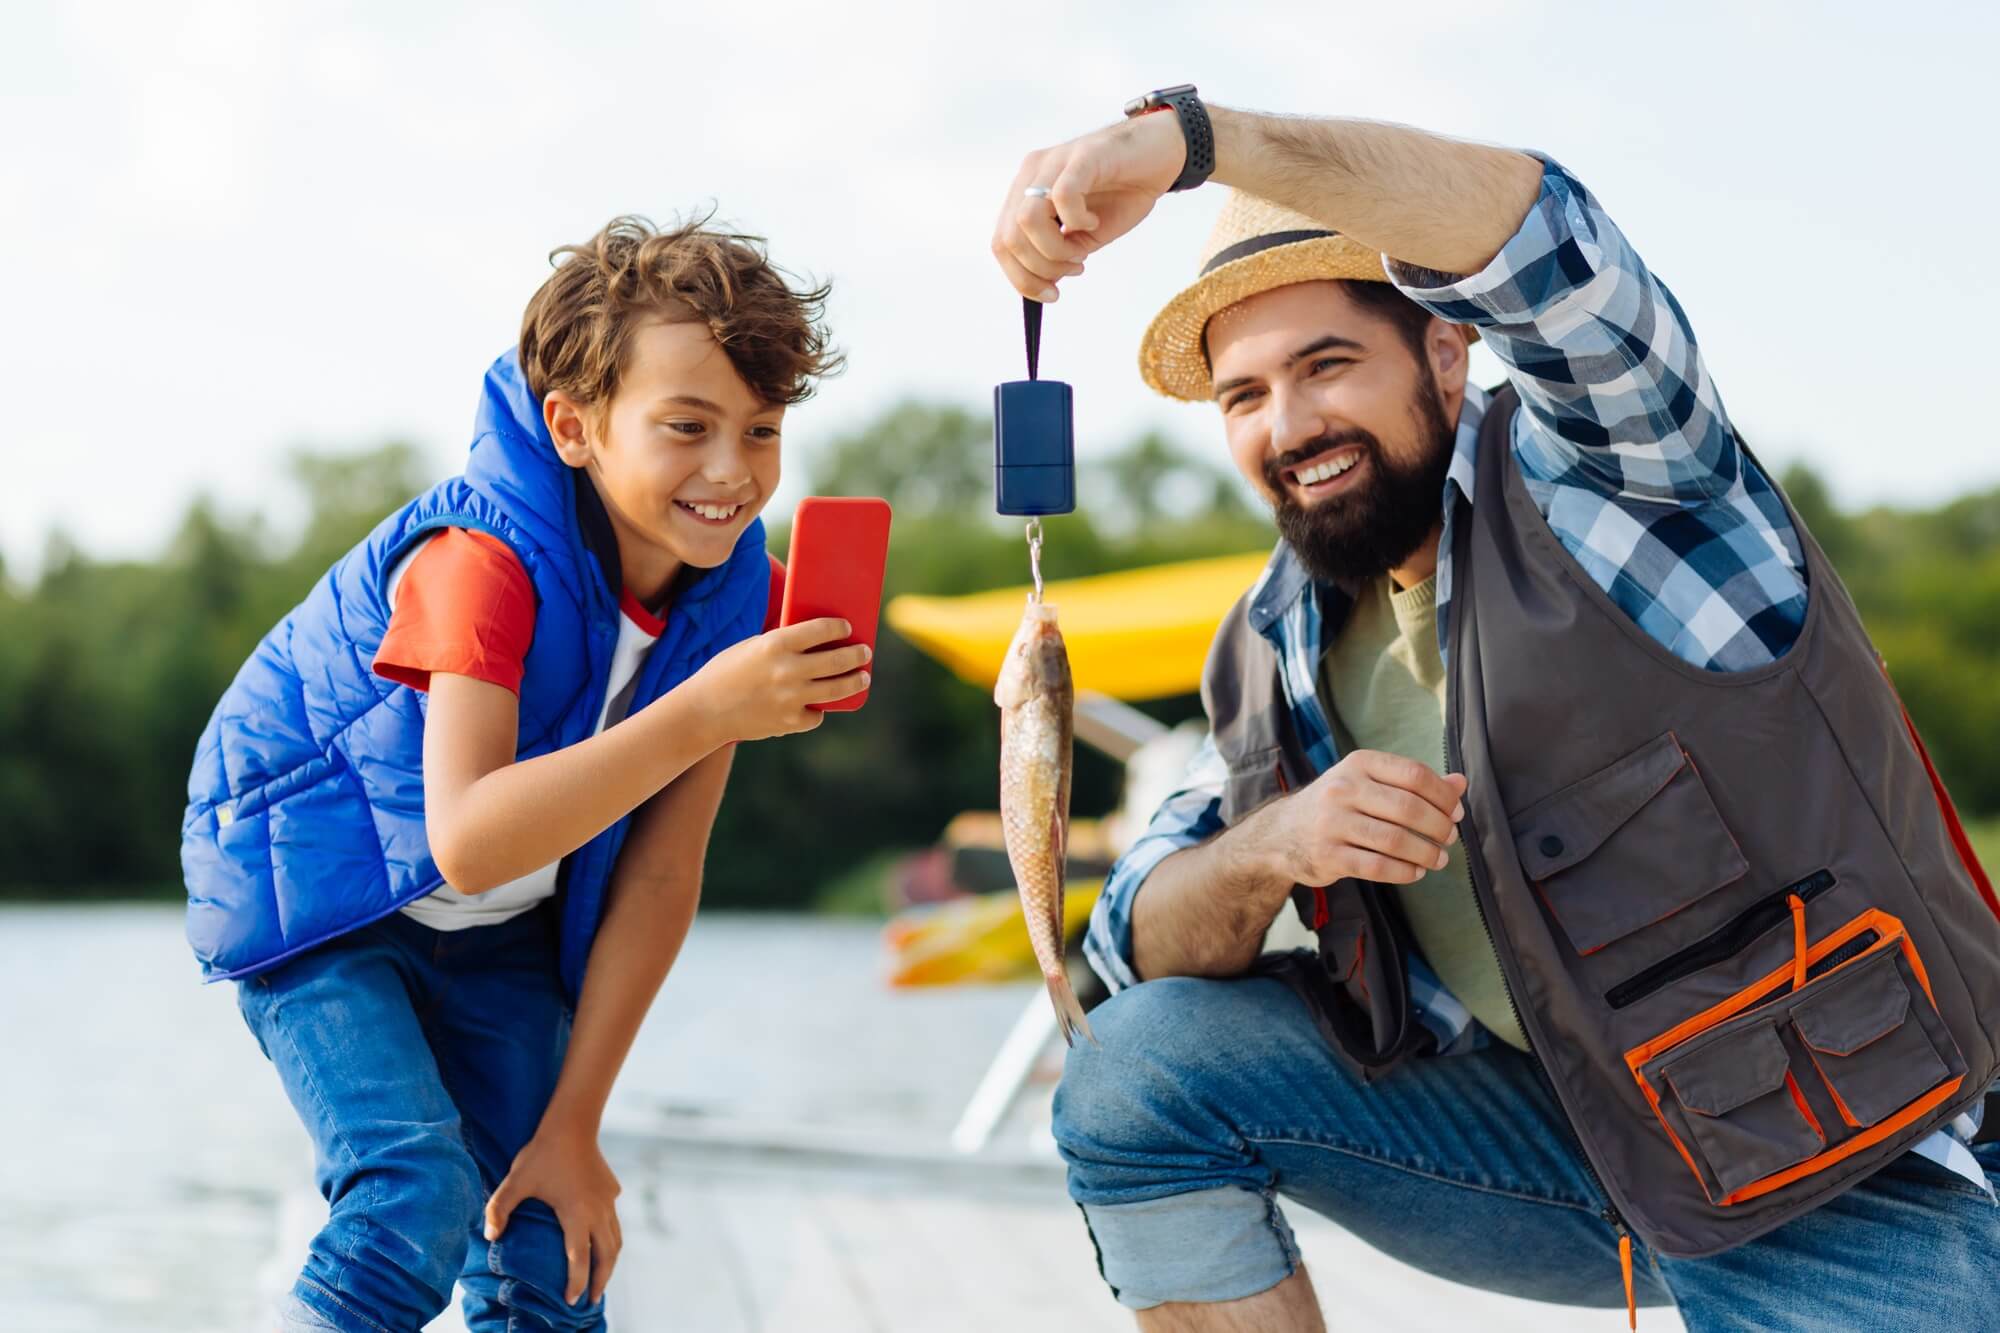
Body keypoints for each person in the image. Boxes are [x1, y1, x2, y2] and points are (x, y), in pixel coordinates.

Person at [990, 91, 2000, 1331]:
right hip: (1564, 1155)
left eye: (1325, 366)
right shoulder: (1268, 638)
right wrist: (1271, 846)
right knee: (1135, 1074)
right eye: (1242, 396)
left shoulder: (1618, 485)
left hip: (1851, 1166)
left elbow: (1553, 250)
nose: (1287, 425)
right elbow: (1123, 949)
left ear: (1445, 353)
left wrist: (1191, 145)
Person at [181, 215, 868, 1332]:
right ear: (574, 425)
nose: (731, 472)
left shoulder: (736, 600)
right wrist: (704, 710)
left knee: (551, 1247)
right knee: (412, 1204)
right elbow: (468, 836)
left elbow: (658, 876)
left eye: (761, 429)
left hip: (500, 933)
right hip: (325, 902)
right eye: (686, 425)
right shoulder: (480, 563)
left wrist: (575, 1124)